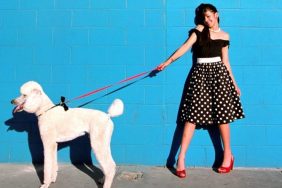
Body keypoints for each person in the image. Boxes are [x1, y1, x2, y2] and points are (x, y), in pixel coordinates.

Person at [157, 3, 245, 178]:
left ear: (216, 14)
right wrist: (167, 62)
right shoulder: (198, 31)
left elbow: (226, 61)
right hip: (199, 77)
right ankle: (180, 158)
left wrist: (234, 83)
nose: (207, 20)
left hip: (220, 77)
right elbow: (183, 48)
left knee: (223, 116)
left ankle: (228, 155)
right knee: (191, 118)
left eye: (209, 16)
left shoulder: (225, 35)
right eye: (204, 17)